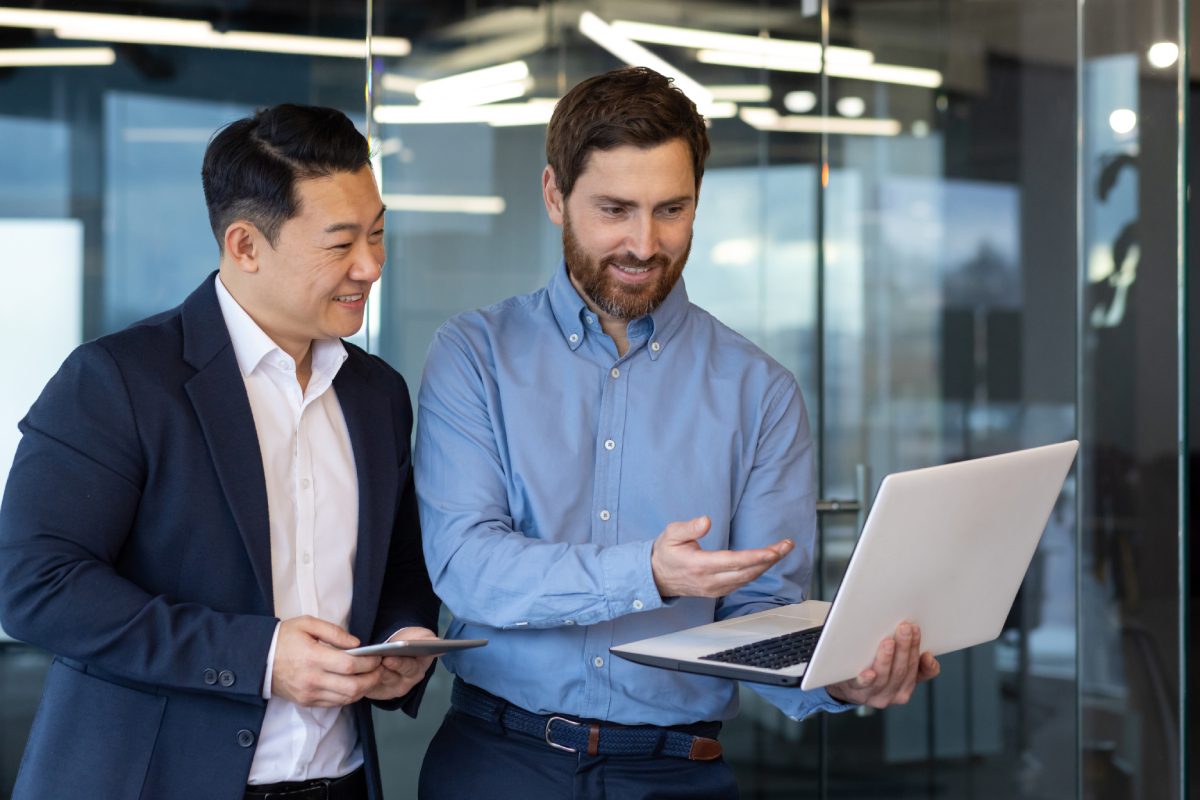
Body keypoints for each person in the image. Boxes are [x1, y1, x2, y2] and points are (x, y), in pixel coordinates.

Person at [414, 67, 940, 799]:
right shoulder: (475, 356)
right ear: (553, 195)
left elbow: (762, 614)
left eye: (672, 209)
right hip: (500, 761)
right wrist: (647, 574)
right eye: (614, 209)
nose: (644, 242)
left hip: (675, 772)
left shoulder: (761, 392)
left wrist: (840, 677)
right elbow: (466, 565)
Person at [0, 104, 440, 800]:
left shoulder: (376, 393)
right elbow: (34, 584)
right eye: (340, 243)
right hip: (150, 780)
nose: (371, 265)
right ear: (244, 246)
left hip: (340, 781)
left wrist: (403, 639)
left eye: (379, 234)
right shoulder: (118, 380)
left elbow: (398, 570)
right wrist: (259, 657)